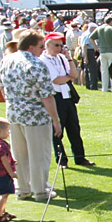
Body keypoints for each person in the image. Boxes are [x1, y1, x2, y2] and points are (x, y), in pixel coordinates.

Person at [0, 31, 61, 201]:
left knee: (19, 155)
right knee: (39, 154)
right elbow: (47, 96)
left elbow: (1, 87)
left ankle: (23, 189)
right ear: (31, 47)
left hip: (14, 114)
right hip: (36, 116)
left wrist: (14, 102)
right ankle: (40, 191)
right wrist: (55, 120)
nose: (42, 50)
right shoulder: (36, 64)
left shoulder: (6, 60)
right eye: (41, 47)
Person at [40, 32, 92, 167]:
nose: (59, 48)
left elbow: (73, 74)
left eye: (61, 45)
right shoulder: (43, 60)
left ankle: (80, 157)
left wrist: (68, 58)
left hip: (67, 96)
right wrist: (67, 77)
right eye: (56, 45)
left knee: (74, 128)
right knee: (58, 130)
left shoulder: (62, 58)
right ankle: (61, 160)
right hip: (55, 97)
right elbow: (56, 80)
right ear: (48, 45)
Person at [0, 116, 18, 222]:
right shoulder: (2, 145)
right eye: (7, 131)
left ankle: (2, 211)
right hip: (3, 173)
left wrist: (13, 162)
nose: (8, 133)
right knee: (4, 194)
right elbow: (4, 160)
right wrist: (11, 172)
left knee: (1, 193)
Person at [94, 15, 112, 92]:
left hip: (102, 51)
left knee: (104, 70)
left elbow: (91, 37)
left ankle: (104, 88)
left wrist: (96, 47)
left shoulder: (99, 28)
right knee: (111, 69)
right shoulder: (111, 29)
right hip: (111, 51)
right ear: (111, 22)